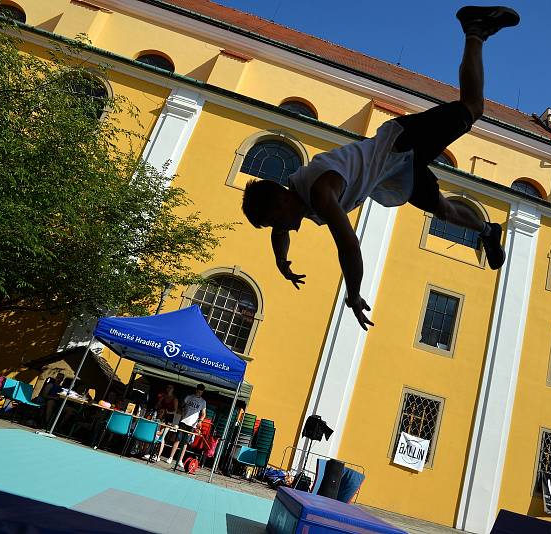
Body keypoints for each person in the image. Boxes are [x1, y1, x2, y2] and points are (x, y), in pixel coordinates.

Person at [242, 6, 518, 330]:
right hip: (396, 173)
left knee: (473, 108)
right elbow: (278, 232)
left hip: (402, 143)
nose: (287, 228)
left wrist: (354, 294)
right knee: (441, 209)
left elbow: (349, 247)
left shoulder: (320, 191)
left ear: (281, 201)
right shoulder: (294, 202)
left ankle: (475, 30)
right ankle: (488, 231)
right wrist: (281, 261)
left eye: (278, 220)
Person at [165, 383, 207, 467]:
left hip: (192, 424)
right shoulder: (189, 397)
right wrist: (181, 412)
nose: (199, 392)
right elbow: (181, 406)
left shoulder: (203, 402)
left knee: (185, 443)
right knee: (177, 439)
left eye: (201, 391)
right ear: (196, 390)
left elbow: (203, 414)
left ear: (202, 392)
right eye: (198, 390)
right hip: (183, 421)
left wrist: (200, 421)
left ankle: (180, 460)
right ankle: (170, 457)